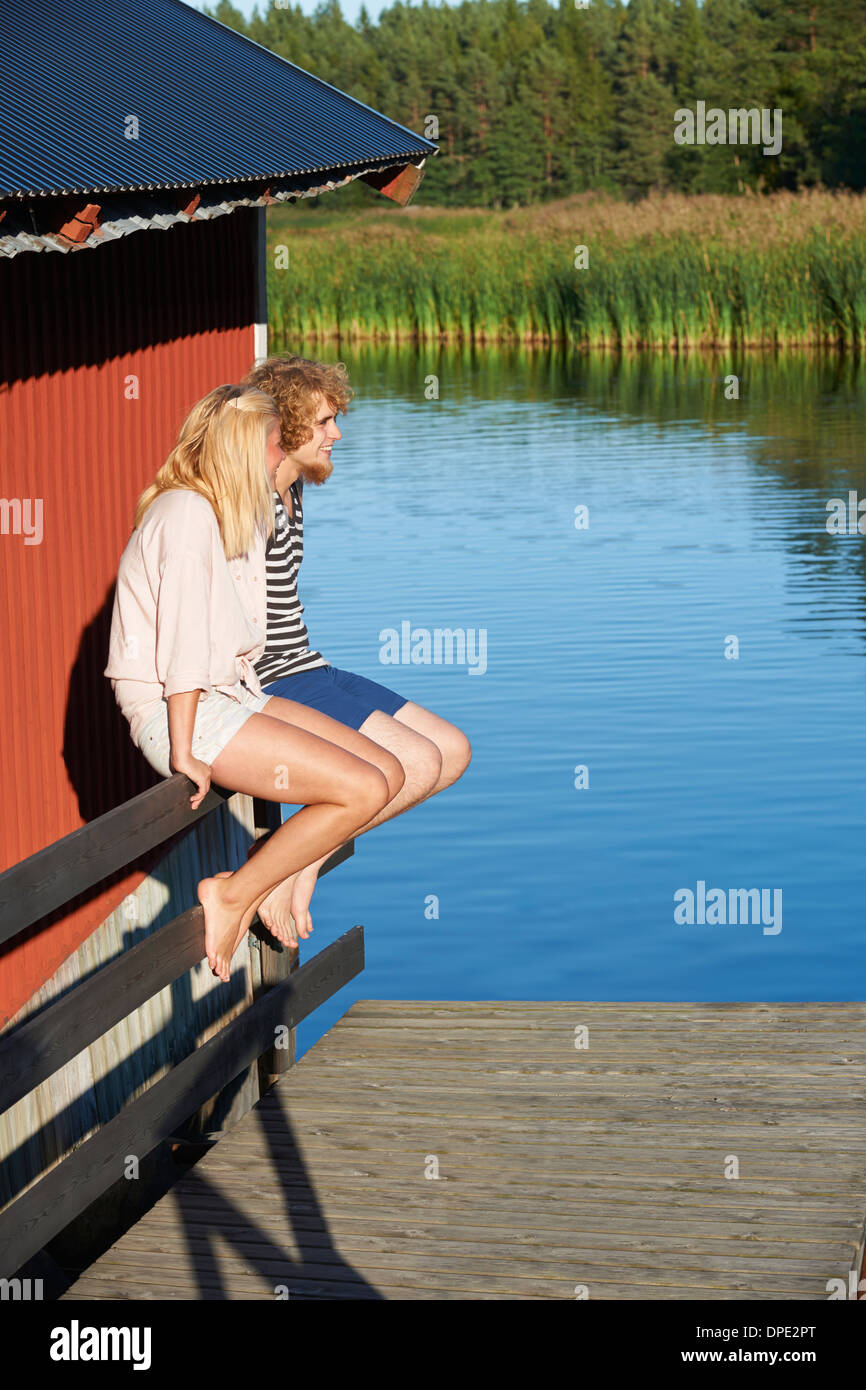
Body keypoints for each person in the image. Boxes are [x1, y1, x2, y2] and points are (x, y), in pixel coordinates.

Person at [105, 384, 397, 983]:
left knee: (386, 772)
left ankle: (264, 877)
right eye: (273, 446)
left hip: (227, 696)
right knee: (361, 790)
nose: (280, 460)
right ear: (244, 450)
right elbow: (183, 646)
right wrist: (183, 749)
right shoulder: (186, 515)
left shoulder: (222, 512)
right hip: (178, 710)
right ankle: (236, 892)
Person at [239, 355, 472, 947]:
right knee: (413, 763)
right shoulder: (250, 505)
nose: (335, 434)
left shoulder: (292, 496)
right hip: (274, 679)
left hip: (311, 666)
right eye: (323, 422)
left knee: (450, 749)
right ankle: (284, 866)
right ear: (285, 429)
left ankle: (296, 858)